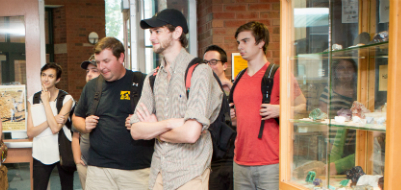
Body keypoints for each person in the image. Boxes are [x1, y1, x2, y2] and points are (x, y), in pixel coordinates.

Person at [131, 8, 224, 190]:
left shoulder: (200, 71)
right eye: (151, 32)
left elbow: (190, 134)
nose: (151, 37)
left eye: (157, 31)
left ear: (177, 32)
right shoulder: (152, 77)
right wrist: (170, 123)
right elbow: (135, 130)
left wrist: (154, 127)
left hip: (189, 172)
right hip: (159, 170)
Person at [230, 21, 306, 190]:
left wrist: (282, 110)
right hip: (240, 162)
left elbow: (303, 107)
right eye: (238, 42)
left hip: (271, 164)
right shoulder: (239, 78)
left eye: (245, 40)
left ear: (261, 42)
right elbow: (240, 120)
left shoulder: (279, 74)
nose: (240, 46)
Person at [72, 37, 154, 190]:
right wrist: (83, 125)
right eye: (98, 62)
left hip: (137, 171)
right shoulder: (91, 87)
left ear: (121, 57)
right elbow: (76, 117)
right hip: (99, 171)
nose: (101, 67)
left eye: (106, 61)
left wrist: (142, 124)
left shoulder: (143, 82)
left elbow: (161, 118)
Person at [27, 63, 76, 190]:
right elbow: (30, 132)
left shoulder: (66, 99)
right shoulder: (32, 99)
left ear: (57, 79)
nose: (46, 79)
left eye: (51, 76)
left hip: (62, 152)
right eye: (43, 75)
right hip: (40, 152)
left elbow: (55, 129)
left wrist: (46, 103)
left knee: (67, 187)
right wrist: (54, 119)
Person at [202, 44, 235, 190]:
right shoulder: (201, 91)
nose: (209, 66)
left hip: (230, 155)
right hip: (208, 153)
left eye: (213, 62)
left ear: (225, 65)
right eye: (205, 63)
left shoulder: (234, 88)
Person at [319, 59, 358, 175]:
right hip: (334, 144)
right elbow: (322, 118)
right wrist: (329, 142)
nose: (345, 71)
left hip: (355, 144)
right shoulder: (329, 92)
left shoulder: (360, 90)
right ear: (335, 72)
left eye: (349, 68)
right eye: (341, 68)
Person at [72, 54, 99, 189]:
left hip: (106, 165)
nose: (89, 74)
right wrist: (78, 160)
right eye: (88, 71)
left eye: (94, 70)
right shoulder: (85, 98)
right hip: (85, 163)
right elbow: (76, 135)